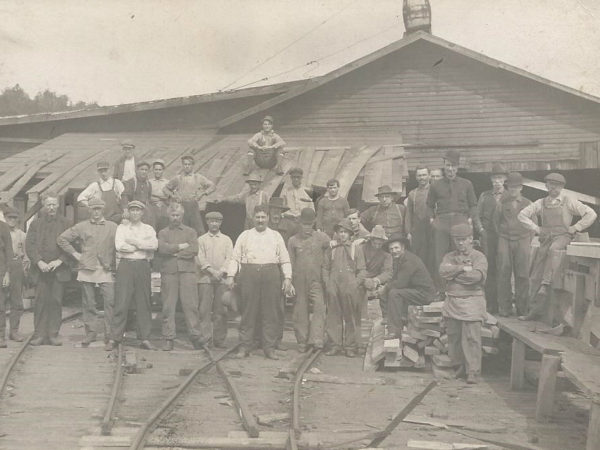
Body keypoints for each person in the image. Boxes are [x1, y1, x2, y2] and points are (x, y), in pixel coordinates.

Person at [517, 172, 597, 320]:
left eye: (557, 186)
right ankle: (534, 311)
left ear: (562, 187)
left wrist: (576, 227)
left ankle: (546, 284)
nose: (553, 188)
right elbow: (522, 215)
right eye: (550, 185)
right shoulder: (540, 203)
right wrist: (537, 229)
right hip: (546, 239)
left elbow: (591, 214)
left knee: (554, 250)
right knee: (534, 276)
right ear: (546, 186)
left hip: (562, 237)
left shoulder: (568, 201)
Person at [225, 205, 293, 360]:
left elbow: (285, 259)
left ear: (268, 218)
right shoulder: (245, 235)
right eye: (258, 217)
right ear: (253, 218)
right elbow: (235, 258)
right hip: (249, 274)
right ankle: (244, 346)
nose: (260, 220)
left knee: (270, 312)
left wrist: (287, 278)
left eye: (263, 217)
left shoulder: (276, 236)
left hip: (271, 274)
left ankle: (269, 347)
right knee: (248, 311)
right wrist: (230, 275)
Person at [57, 198, 117, 348]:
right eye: (93, 209)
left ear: (103, 210)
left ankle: (110, 334)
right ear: (89, 210)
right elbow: (62, 239)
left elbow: (121, 244)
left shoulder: (113, 227)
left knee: (110, 301)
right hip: (87, 268)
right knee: (89, 302)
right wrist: (75, 254)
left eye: (99, 209)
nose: (96, 212)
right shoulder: (82, 226)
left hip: (106, 269)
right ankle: (91, 332)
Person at [427, 150, 483, 290]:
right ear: (444, 166)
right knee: (440, 257)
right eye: (447, 165)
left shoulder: (466, 184)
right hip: (442, 222)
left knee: (460, 254)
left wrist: (470, 220)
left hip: (460, 221)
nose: (450, 169)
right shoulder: (436, 185)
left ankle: (461, 287)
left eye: (453, 166)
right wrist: (432, 221)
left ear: (457, 167)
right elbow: (429, 205)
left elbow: (473, 205)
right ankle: (441, 290)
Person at [439, 223, 488, 384]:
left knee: (471, 337)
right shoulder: (448, 257)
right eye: (457, 240)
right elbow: (442, 271)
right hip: (452, 300)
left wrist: (453, 275)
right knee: (454, 336)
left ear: (471, 239)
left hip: (472, 300)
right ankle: (458, 367)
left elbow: (476, 277)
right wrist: (462, 268)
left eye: (463, 240)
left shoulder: (479, 257)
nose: (460, 243)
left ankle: (473, 371)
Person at [109, 200, 158, 350]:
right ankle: (115, 338)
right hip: (126, 265)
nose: (135, 213)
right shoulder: (122, 228)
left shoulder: (148, 229)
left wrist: (135, 243)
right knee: (121, 301)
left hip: (142, 266)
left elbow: (154, 246)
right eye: (132, 210)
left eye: (138, 210)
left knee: (143, 301)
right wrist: (142, 246)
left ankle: (145, 337)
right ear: (128, 212)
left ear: (142, 213)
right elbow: (120, 247)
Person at [25, 193, 71, 346]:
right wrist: (39, 262)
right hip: (40, 271)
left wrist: (60, 261)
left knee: (56, 302)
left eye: (54, 204)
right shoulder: (35, 224)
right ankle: (39, 335)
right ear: (43, 206)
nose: (51, 207)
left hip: (58, 271)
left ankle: (53, 335)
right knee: (40, 302)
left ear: (58, 205)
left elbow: (73, 245)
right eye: (48, 205)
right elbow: (29, 246)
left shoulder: (66, 223)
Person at [157, 203, 200, 351]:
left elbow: (194, 249)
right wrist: (180, 247)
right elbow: (161, 248)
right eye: (173, 215)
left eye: (178, 215)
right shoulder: (163, 232)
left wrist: (174, 253)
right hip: (169, 272)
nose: (175, 218)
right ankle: (169, 338)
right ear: (169, 216)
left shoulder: (190, 232)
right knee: (168, 306)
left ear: (182, 216)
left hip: (187, 272)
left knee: (191, 305)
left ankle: (195, 336)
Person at [287, 208, 330, 353]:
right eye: (304, 224)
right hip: (299, 280)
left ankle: (316, 339)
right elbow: (290, 263)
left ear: (314, 223)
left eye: (310, 224)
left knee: (319, 307)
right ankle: (302, 341)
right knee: (300, 309)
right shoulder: (293, 241)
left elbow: (329, 258)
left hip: (316, 280)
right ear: (300, 223)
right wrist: (290, 281)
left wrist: (326, 278)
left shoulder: (323, 238)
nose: (307, 227)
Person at [323, 218, 366, 357]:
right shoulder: (332, 249)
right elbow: (325, 268)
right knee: (333, 316)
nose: (342, 235)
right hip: (334, 285)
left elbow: (362, 270)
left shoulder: (356, 249)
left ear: (350, 234)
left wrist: (355, 283)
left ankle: (350, 346)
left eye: (345, 232)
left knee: (350, 316)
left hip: (349, 286)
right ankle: (335, 345)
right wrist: (328, 283)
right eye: (340, 232)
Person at [492, 172, 534, 317]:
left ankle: (523, 309)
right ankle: (505, 308)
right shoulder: (501, 203)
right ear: (507, 188)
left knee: (522, 274)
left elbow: (533, 225)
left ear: (521, 187)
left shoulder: (528, 204)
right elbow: (495, 222)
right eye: (510, 187)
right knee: (504, 272)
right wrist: (503, 235)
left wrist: (527, 240)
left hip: (523, 240)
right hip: (505, 239)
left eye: (516, 187)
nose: (513, 190)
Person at [385, 233, 436, 338]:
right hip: (415, 290)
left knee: (394, 293)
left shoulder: (409, 260)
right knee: (390, 291)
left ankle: (395, 331)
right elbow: (396, 279)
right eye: (391, 249)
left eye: (396, 248)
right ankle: (392, 320)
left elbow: (400, 283)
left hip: (424, 294)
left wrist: (385, 288)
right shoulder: (400, 259)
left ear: (403, 247)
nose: (394, 251)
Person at [197, 211, 233, 348]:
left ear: (220, 223)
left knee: (221, 310)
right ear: (207, 222)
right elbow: (200, 258)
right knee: (204, 310)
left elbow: (230, 258)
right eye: (211, 221)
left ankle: (219, 340)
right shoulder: (201, 240)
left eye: (217, 221)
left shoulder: (227, 240)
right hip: (205, 278)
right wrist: (212, 271)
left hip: (221, 280)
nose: (214, 224)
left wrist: (221, 271)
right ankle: (205, 339)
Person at [477, 163, 507, 313]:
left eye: (500, 178)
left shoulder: (509, 196)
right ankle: (490, 304)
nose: (497, 181)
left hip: (504, 237)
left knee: (503, 268)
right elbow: (477, 215)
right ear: (491, 180)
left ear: (505, 179)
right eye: (494, 178)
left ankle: (504, 304)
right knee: (489, 269)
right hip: (488, 236)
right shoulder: (484, 196)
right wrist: (481, 230)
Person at [357, 225, 393, 344]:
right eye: (375, 243)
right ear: (371, 240)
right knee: (357, 292)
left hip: (376, 280)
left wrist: (377, 280)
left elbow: (388, 272)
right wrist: (364, 280)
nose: (377, 245)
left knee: (386, 291)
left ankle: (386, 321)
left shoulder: (386, 254)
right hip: (362, 277)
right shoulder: (361, 248)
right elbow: (358, 267)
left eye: (380, 243)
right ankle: (361, 323)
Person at [163, 155, 215, 235]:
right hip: (181, 207)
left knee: (198, 230)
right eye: (185, 164)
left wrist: (203, 193)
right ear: (182, 165)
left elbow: (212, 186)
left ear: (192, 165)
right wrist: (173, 196)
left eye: (189, 164)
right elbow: (165, 189)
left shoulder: (198, 177)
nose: (187, 166)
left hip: (193, 206)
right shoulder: (178, 178)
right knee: (180, 230)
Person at [4, 207, 28, 342]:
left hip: (16, 266)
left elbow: (26, 255)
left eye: (14, 218)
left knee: (16, 300)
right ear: (5, 218)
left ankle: (14, 331)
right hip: (2, 267)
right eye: (9, 218)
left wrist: (24, 269)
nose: (12, 220)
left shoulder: (21, 234)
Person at [405, 167, 433, 274]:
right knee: (419, 259)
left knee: (433, 258)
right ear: (416, 177)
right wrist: (408, 232)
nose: (422, 178)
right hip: (418, 231)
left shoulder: (435, 190)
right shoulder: (413, 194)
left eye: (424, 175)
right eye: (419, 175)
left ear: (429, 176)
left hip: (432, 230)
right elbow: (408, 214)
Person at [122, 160, 156, 229]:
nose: (144, 172)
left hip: (144, 210)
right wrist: (125, 210)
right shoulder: (131, 182)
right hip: (134, 210)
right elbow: (124, 196)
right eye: (142, 169)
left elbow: (148, 198)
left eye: (146, 170)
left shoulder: (148, 184)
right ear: (137, 170)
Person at [149, 158, 170, 232]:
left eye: (160, 170)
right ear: (153, 170)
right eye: (156, 169)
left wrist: (156, 196)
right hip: (152, 208)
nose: (157, 171)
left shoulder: (168, 182)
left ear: (163, 170)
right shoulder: (149, 182)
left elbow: (169, 197)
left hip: (164, 208)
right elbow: (148, 196)